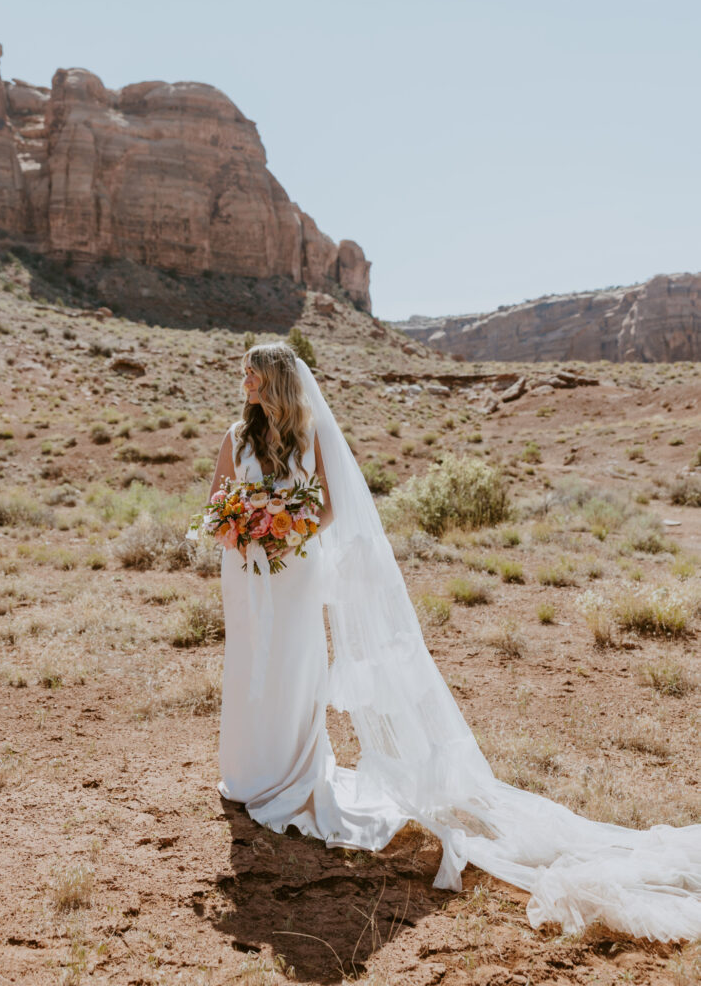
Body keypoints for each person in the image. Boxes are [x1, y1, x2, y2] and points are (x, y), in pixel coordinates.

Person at [207, 342, 701, 943]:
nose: (243, 378)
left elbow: (331, 507)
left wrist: (289, 533)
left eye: (250, 371)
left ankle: (291, 774)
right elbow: (216, 503)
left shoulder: (310, 436)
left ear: (275, 379)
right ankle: (247, 769)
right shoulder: (235, 436)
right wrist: (240, 530)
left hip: (295, 567)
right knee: (248, 663)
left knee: (292, 666)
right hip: (246, 569)